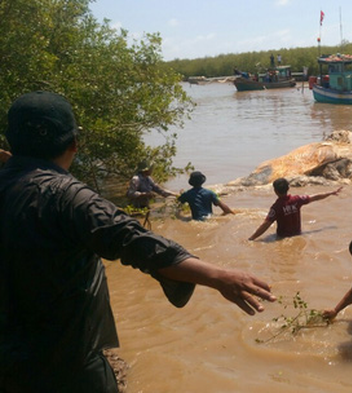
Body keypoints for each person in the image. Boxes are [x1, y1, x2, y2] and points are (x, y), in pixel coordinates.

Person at [0, 91, 276, 392]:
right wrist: (218, 276)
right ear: (75, 144)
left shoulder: (15, 182)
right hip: (66, 362)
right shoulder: (68, 196)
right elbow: (134, 241)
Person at [248, 177, 342, 241]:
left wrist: (251, 238)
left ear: (275, 191)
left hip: (282, 238)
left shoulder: (276, 207)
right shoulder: (297, 200)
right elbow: (315, 197)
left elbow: (265, 225)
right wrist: (330, 193)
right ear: (288, 188)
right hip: (298, 234)